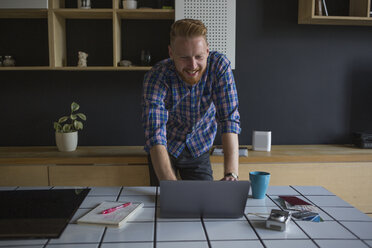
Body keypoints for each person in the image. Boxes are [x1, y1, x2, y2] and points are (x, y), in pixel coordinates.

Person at [142, 19, 241, 186]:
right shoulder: (157, 76)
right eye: (184, 58)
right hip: (165, 148)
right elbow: (155, 133)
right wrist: (171, 188)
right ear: (171, 53)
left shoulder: (219, 67)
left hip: (199, 147)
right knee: (164, 204)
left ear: (208, 51)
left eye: (199, 56)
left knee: (205, 206)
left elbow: (229, 120)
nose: (193, 65)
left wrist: (231, 173)